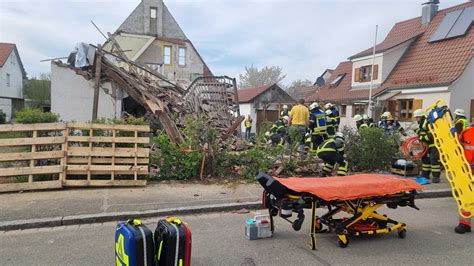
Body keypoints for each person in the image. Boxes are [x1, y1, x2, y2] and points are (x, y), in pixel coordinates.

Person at [455, 124, 474, 234]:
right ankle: (465, 223)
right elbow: (458, 146)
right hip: (466, 171)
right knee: (464, 197)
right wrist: (452, 136)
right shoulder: (467, 132)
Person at [414, 109, 441, 183]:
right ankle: (425, 175)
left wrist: (422, 138)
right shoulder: (422, 123)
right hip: (426, 145)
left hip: (433, 144)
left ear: (421, 116)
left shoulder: (428, 122)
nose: (416, 119)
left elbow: (431, 135)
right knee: (425, 160)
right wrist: (417, 132)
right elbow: (422, 132)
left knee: (433, 160)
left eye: (417, 117)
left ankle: (436, 177)